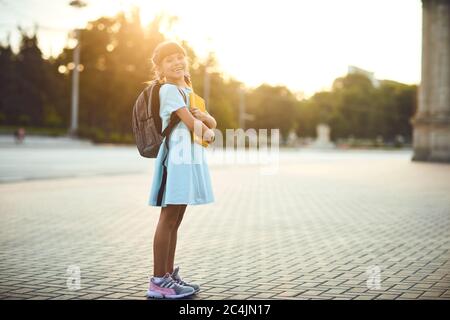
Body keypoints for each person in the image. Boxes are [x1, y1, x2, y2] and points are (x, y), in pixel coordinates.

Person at [146, 41, 217, 299]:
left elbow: (207, 118)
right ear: (160, 67)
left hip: (187, 157)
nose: (177, 62)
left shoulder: (185, 89)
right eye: (169, 60)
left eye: (179, 57)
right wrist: (209, 132)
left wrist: (207, 122)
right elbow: (191, 122)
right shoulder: (168, 90)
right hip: (175, 159)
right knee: (168, 217)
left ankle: (168, 276)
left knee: (176, 218)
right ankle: (157, 281)